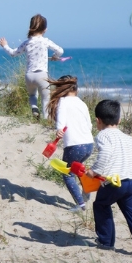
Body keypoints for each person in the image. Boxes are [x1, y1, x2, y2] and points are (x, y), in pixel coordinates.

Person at [87, 100, 132, 259]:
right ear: (119, 121)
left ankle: (106, 241)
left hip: (115, 182)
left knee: (101, 205)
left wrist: (94, 171)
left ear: (98, 121)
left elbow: (105, 154)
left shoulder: (102, 135)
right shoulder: (126, 137)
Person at [0, 14, 64, 119]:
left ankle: (34, 108)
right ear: (45, 29)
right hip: (42, 75)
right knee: (46, 99)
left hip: (29, 76)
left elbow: (13, 53)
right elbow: (60, 51)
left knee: (32, 95)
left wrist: (5, 45)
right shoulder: (45, 41)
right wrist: (55, 56)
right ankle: (46, 119)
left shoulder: (27, 43)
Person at [46, 75, 94, 212]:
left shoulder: (63, 102)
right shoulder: (82, 103)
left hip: (74, 145)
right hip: (89, 143)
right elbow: (89, 124)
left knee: (67, 173)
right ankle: (87, 190)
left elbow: (61, 121)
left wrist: (59, 130)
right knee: (78, 168)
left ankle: (81, 204)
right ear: (76, 90)